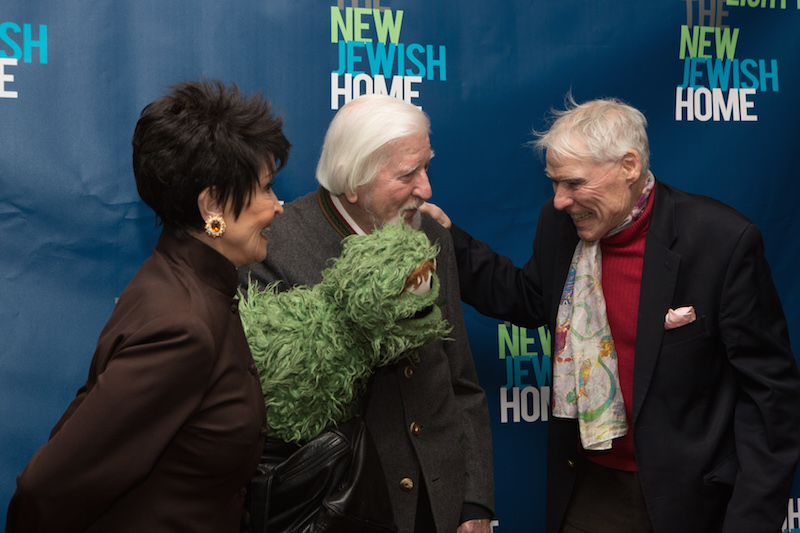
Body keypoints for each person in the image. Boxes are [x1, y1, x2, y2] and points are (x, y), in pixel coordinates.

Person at [420, 96, 800, 533]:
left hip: (690, 500)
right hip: (587, 487)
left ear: (629, 166)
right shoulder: (561, 224)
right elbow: (529, 297)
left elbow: (771, 398)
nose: (560, 200)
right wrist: (447, 240)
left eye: (574, 183)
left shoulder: (721, 241)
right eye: (554, 184)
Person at [6, 79, 291, 533]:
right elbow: (46, 488)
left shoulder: (177, 279)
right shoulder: (185, 325)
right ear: (213, 206)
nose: (278, 207)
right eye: (266, 189)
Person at [238, 94, 495, 533]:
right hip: (345, 505)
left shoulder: (431, 236)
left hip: (441, 505)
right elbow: (280, 406)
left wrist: (474, 501)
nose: (427, 189)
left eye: (427, 167)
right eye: (408, 174)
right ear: (352, 182)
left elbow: (460, 381)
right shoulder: (273, 248)